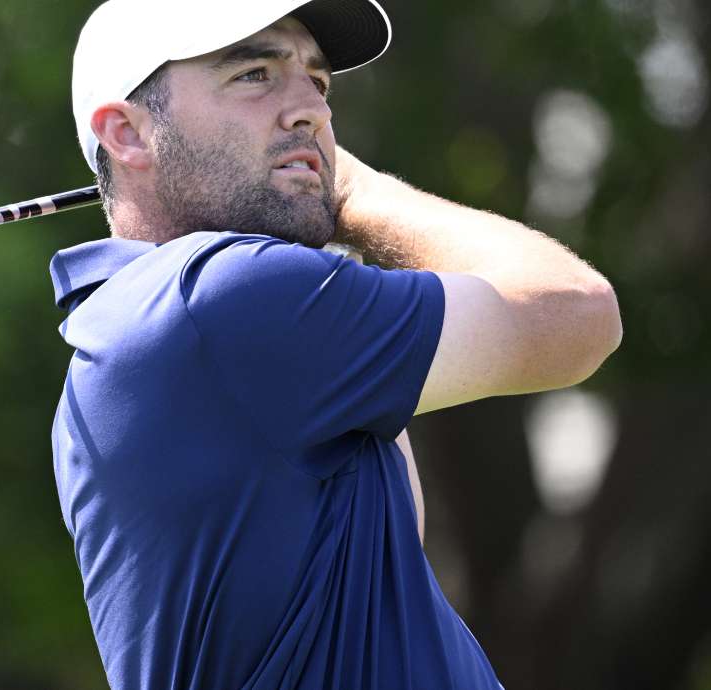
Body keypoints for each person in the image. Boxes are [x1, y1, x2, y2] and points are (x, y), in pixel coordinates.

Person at [48, 0, 622, 687]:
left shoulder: (152, 323)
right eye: (255, 74)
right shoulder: (223, 299)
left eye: (317, 84)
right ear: (128, 134)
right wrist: (354, 188)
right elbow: (576, 314)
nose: (312, 113)